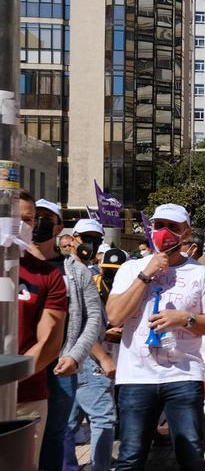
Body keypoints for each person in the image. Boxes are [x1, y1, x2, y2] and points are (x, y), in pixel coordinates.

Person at [105, 203, 205, 471]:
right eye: (159, 226)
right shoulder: (130, 269)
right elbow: (114, 317)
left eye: (173, 227)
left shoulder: (201, 274)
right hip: (136, 376)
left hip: (183, 376)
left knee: (191, 454)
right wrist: (145, 275)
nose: (165, 232)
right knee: (131, 456)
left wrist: (184, 319)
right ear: (151, 228)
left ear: (186, 233)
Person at [27, 199, 104, 470]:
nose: (39, 223)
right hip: (21, 366)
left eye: (48, 218)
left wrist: (75, 355)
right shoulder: (13, 264)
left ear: (60, 227)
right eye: (35, 217)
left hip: (59, 368)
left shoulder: (74, 271)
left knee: (55, 435)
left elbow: (93, 317)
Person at [14, 193, 69, 468]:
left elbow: (49, 342)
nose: (22, 226)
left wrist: (10, 379)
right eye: (15, 218)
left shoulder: (48, 276)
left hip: (27, 397)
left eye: (28, 220)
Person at [71, 247, 127, 471]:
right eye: (108, 271)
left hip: (91, 357)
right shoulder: (91, 285)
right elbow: (86, 327)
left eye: (116, 272)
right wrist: (103, 355)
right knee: (103, 417)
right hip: (92, 358)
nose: (110, 276)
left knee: (69, 420)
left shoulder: (126, 291)